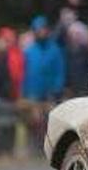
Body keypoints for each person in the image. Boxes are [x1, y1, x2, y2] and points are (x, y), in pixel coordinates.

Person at [21, 15, 66, 155]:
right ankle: (33, 148)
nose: (41, 32)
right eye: (38, 30)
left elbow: (60, 72)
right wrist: (24, 91)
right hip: (32, 94)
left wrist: (57, 89)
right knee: (33, 121)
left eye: (44, 29)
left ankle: (49, 149)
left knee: (49, 122)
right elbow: (25, 73)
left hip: (50, 94)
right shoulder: (29, 51)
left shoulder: (55, 50)